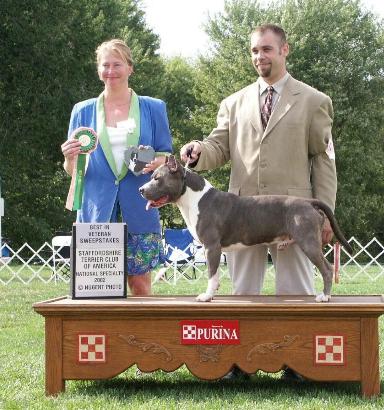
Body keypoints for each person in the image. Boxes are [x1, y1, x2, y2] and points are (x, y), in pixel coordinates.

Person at [181, 23, 336, 382]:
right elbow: (218, 147)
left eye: (266, 49)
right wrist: (200, 150)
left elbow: (324, 160)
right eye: (254, 50)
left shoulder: (314, 101)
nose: (259, 56)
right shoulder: (233, 103)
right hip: (240, 217)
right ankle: (239, 364)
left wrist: (325, 213)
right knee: (243, 294)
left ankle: (297, 364)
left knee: (296, 292)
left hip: (291, 215)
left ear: (284, 50)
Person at [62, 39, 172, 296]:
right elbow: (73, 170)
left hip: (140, 204)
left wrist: (150, 161)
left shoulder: (154, 107)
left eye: (117, 64)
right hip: (97, 207)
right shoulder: (81, 111)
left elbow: (166, 156)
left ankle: (141, 325)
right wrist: (69, 158)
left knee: (140, 285)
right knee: (97, 289)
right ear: (98, 69)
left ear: (130, 68)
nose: (110, 71)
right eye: (105, 65)